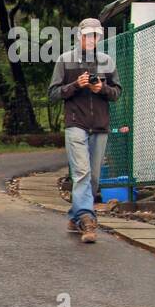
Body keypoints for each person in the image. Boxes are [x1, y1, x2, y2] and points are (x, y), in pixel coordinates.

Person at [48, 18, 123, 244]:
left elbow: (117, 92)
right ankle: (87, 219)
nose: (91, 39)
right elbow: (52, 94)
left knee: (94, 177)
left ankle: (75, 215)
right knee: (81, 173)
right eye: (87, 35)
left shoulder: (107, 62)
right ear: (78, 36)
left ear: (99, 38)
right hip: (76, 125)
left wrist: (102, 88)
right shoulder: (65, 60)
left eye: (95, 36)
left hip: (100, 125)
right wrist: (76, 85)